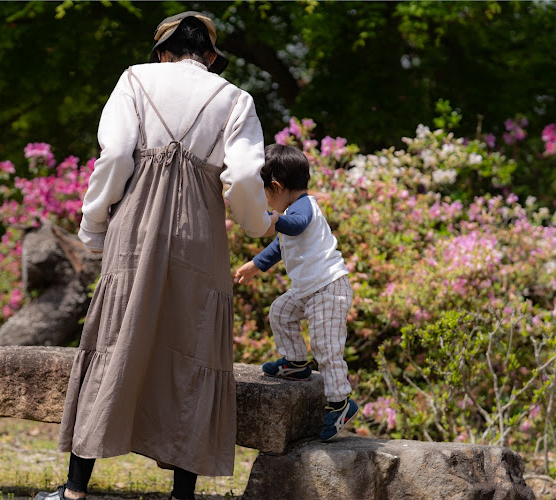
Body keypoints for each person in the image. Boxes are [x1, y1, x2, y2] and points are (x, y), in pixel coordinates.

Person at [35, 11, 275, 500]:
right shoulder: (236, 98)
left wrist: (93, 222)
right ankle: (181, 496)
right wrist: (256, 225)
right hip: (200, 233)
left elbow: (117, 154)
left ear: (163, 51)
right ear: (209, 56)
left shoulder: (135, 79)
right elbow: (246, 177)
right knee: (194, 345)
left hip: (135, 226)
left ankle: (76, 490)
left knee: (114, 336)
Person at [234, 144, 359, 442]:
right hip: (308, 289)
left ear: (275, 187)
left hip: (329, 287)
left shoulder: (303, 208)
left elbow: (295, 225)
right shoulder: (290, 213)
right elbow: (281, 245)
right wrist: (256, 264)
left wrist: (272, 220)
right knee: (281, 311)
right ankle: (296, 363)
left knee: (327, 347)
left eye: (263, 192)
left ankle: (341, 403)